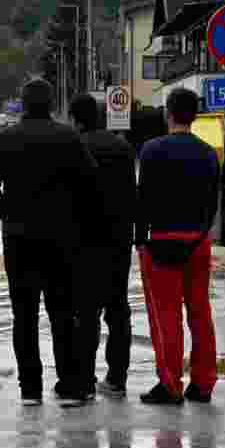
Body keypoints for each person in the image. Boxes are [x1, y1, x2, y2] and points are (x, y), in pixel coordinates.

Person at [0, 77, 99, 406]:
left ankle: (30, 389)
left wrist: (8, 215)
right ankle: (70, 383)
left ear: (23, 103)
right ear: (49, 105)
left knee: (24, 315)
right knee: (62, 313)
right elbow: (90, 184)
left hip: (18, 241)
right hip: (61, 240)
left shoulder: (6, 138)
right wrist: (72, 217)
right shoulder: (69, 137)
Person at [134, 87, 220, 405]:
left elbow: (142, 201)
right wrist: (202, 233)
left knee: (166, 316)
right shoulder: (209, 153)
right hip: (198, 242)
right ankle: (203, 384)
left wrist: (140, 239)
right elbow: (214, 202)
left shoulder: (151, 150)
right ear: (194, 116)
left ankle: (170, 385)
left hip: (162, 242)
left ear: (168, 113)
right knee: (200, 312)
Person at [69, 93, 136, 399]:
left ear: (76, 119)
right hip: (118, 241)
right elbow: (133, 194)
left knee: (85, 313)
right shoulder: (122, 147)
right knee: (118, 310)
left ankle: (84, 379)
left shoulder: (75, 147)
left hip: (83, 242)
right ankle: (117, 378)